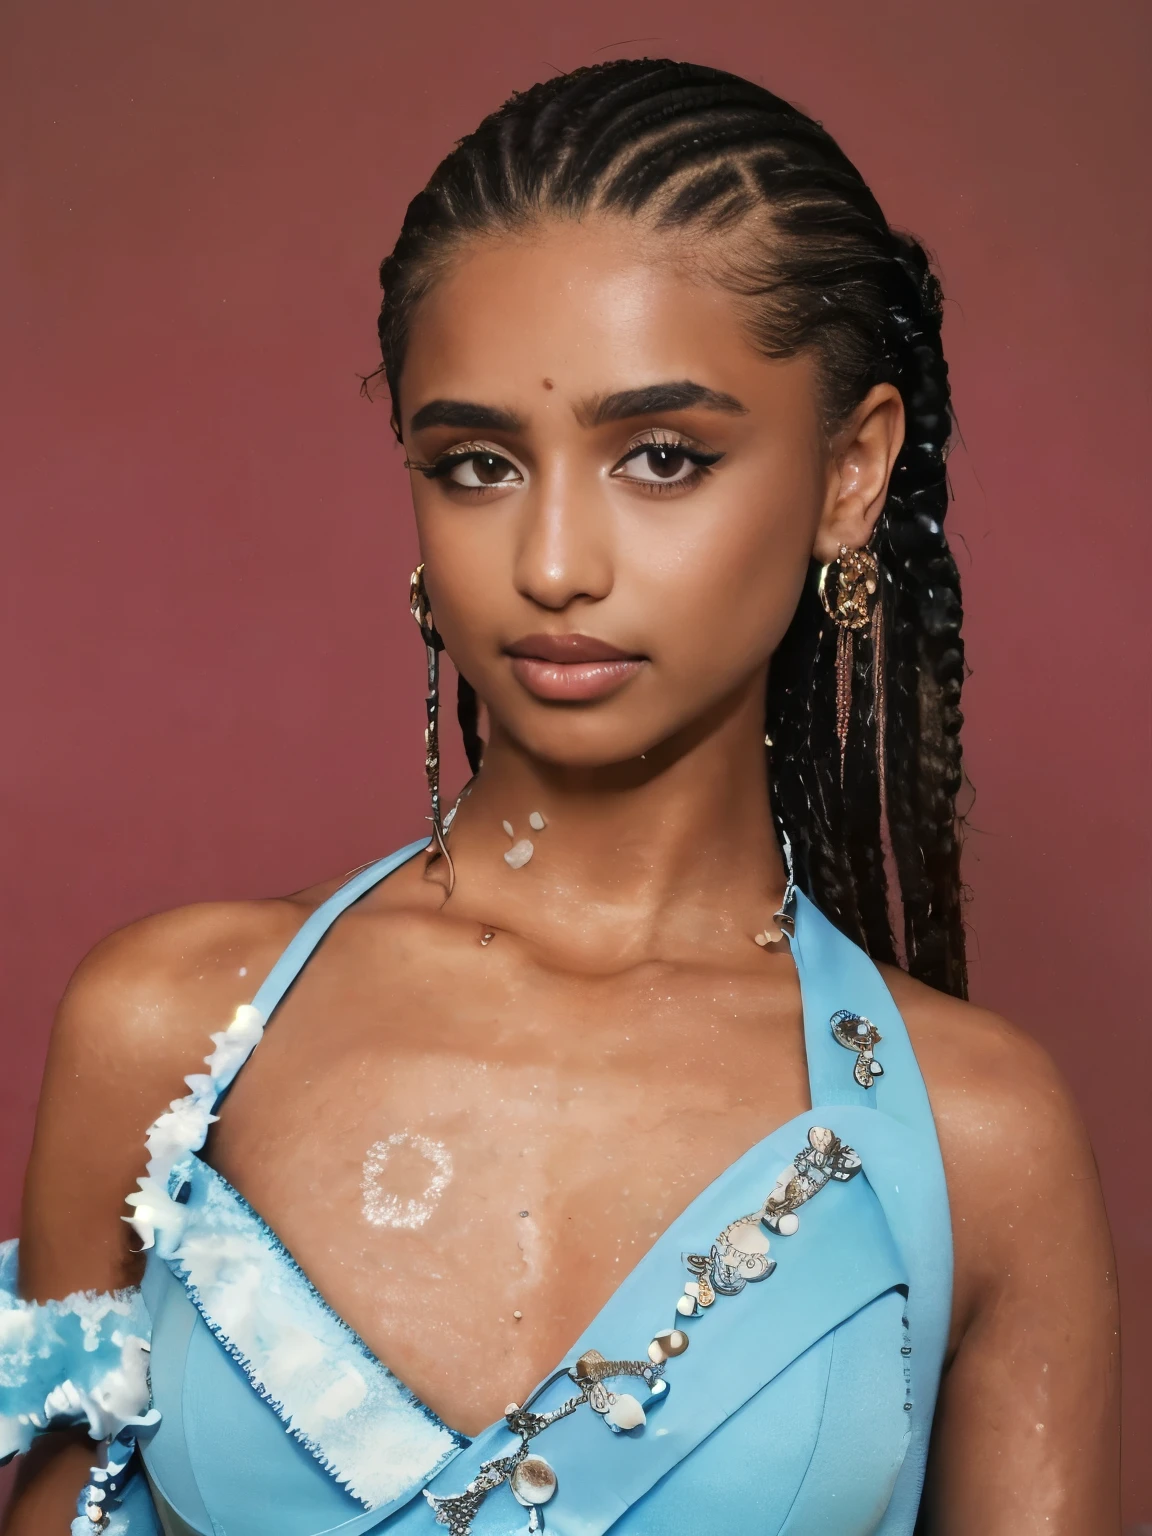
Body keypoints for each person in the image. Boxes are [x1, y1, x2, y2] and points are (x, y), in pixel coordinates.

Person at [1, 58, 1119, 1536]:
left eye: (663, 457)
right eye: (475, 464)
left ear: (851, 472)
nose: (549, 564)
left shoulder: (980, 1138)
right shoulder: (172, 1034)